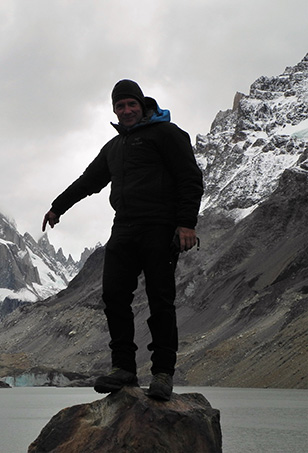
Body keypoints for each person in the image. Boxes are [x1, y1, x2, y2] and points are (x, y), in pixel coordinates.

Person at [42, 79, 203, 401]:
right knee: (114, 296)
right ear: (114, 110)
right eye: (120, 106)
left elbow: (190, 177)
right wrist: (58, 207)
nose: (126, 110)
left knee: (160, 299)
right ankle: (124, 368)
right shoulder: (114, 147)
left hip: (160, 226)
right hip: (124, 228)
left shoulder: (167, 134)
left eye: (131, 104)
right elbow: (89, 181)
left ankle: (162, 373)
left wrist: (186, 224)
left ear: (142, 105)